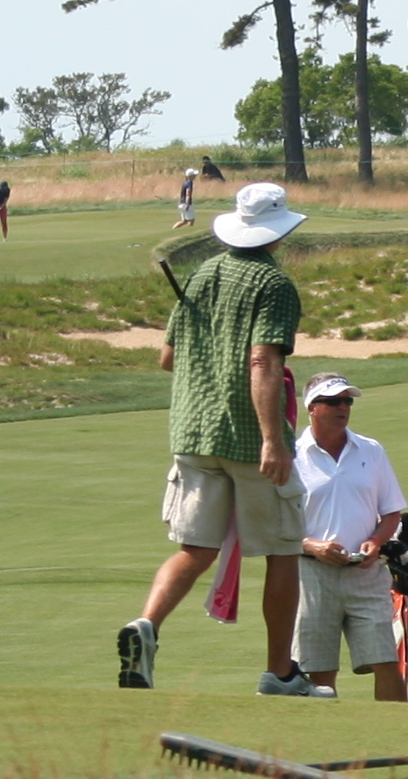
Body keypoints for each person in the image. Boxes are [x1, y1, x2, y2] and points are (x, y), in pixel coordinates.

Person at [117, 181, 310, 692]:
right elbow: (263, 360)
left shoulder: (203, 274)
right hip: (247, 439)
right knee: (284, 550)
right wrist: (272, 440)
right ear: (277, 231)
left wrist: (211, 355)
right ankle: (281, 673)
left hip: (192, 433)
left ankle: (146, 626)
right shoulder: (274, 283)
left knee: (196, 549)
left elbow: (168, 358)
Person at [291, 373, 408, 700]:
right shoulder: (291, 454)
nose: (343, 407)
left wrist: (377, 541)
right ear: (312, 407)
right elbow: (272, 524)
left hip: (366, 573)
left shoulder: (371, 450)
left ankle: (394, 729)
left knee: (386, 662)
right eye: (333, 402)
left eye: (347, 401)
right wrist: (312, 545)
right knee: (319, 671)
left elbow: (391, 512)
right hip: (312, 575)